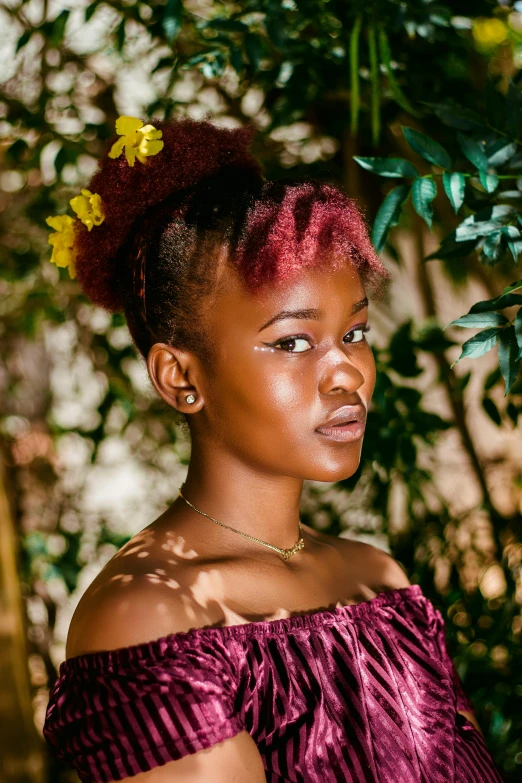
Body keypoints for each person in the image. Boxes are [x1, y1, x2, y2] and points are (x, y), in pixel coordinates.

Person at [43, 116, 503, 783]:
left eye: (355, 331)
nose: (347, 372)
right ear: (181, 377)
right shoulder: (151, 615)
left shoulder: (381, 583)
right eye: (291, 341)